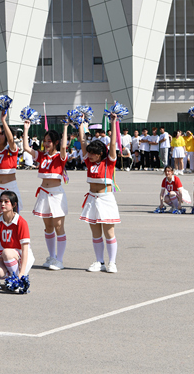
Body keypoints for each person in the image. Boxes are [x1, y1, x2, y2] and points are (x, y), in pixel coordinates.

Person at [22, 120, 69, 271]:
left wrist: (65, 127)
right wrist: (26, 129)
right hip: (43, 193)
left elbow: (63, 147)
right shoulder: (42, 156)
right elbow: (26, 147)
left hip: (56, 194)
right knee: (48, 227)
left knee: (59, 226)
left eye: (49, 141)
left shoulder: (60, 156)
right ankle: (52, 256)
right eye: (45, 141)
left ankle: (60, 260)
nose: (46, 143)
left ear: (56, 142)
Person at [80, 112, 120, 273]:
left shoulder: (109, 162)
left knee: (109, 232)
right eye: (88, 153)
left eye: (92, 153)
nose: (89, 155)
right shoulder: (89, 162)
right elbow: (83, 142)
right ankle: (99, 261)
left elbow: (113, 144)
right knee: (95, 233)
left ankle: (112, 262)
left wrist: (113, 123)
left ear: (100, 153)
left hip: (106, 199)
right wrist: (81, 123)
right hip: (92, 199)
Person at [0, 191, 34, 279]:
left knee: (7, 252)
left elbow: (25, 249)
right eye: (1, 201)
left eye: (6, 201)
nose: (2, 204)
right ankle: (10, 278)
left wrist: (22, 272)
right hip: (5, 255)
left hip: (21, 255)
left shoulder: (21, 222)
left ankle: (18, 279)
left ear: (14, 204)